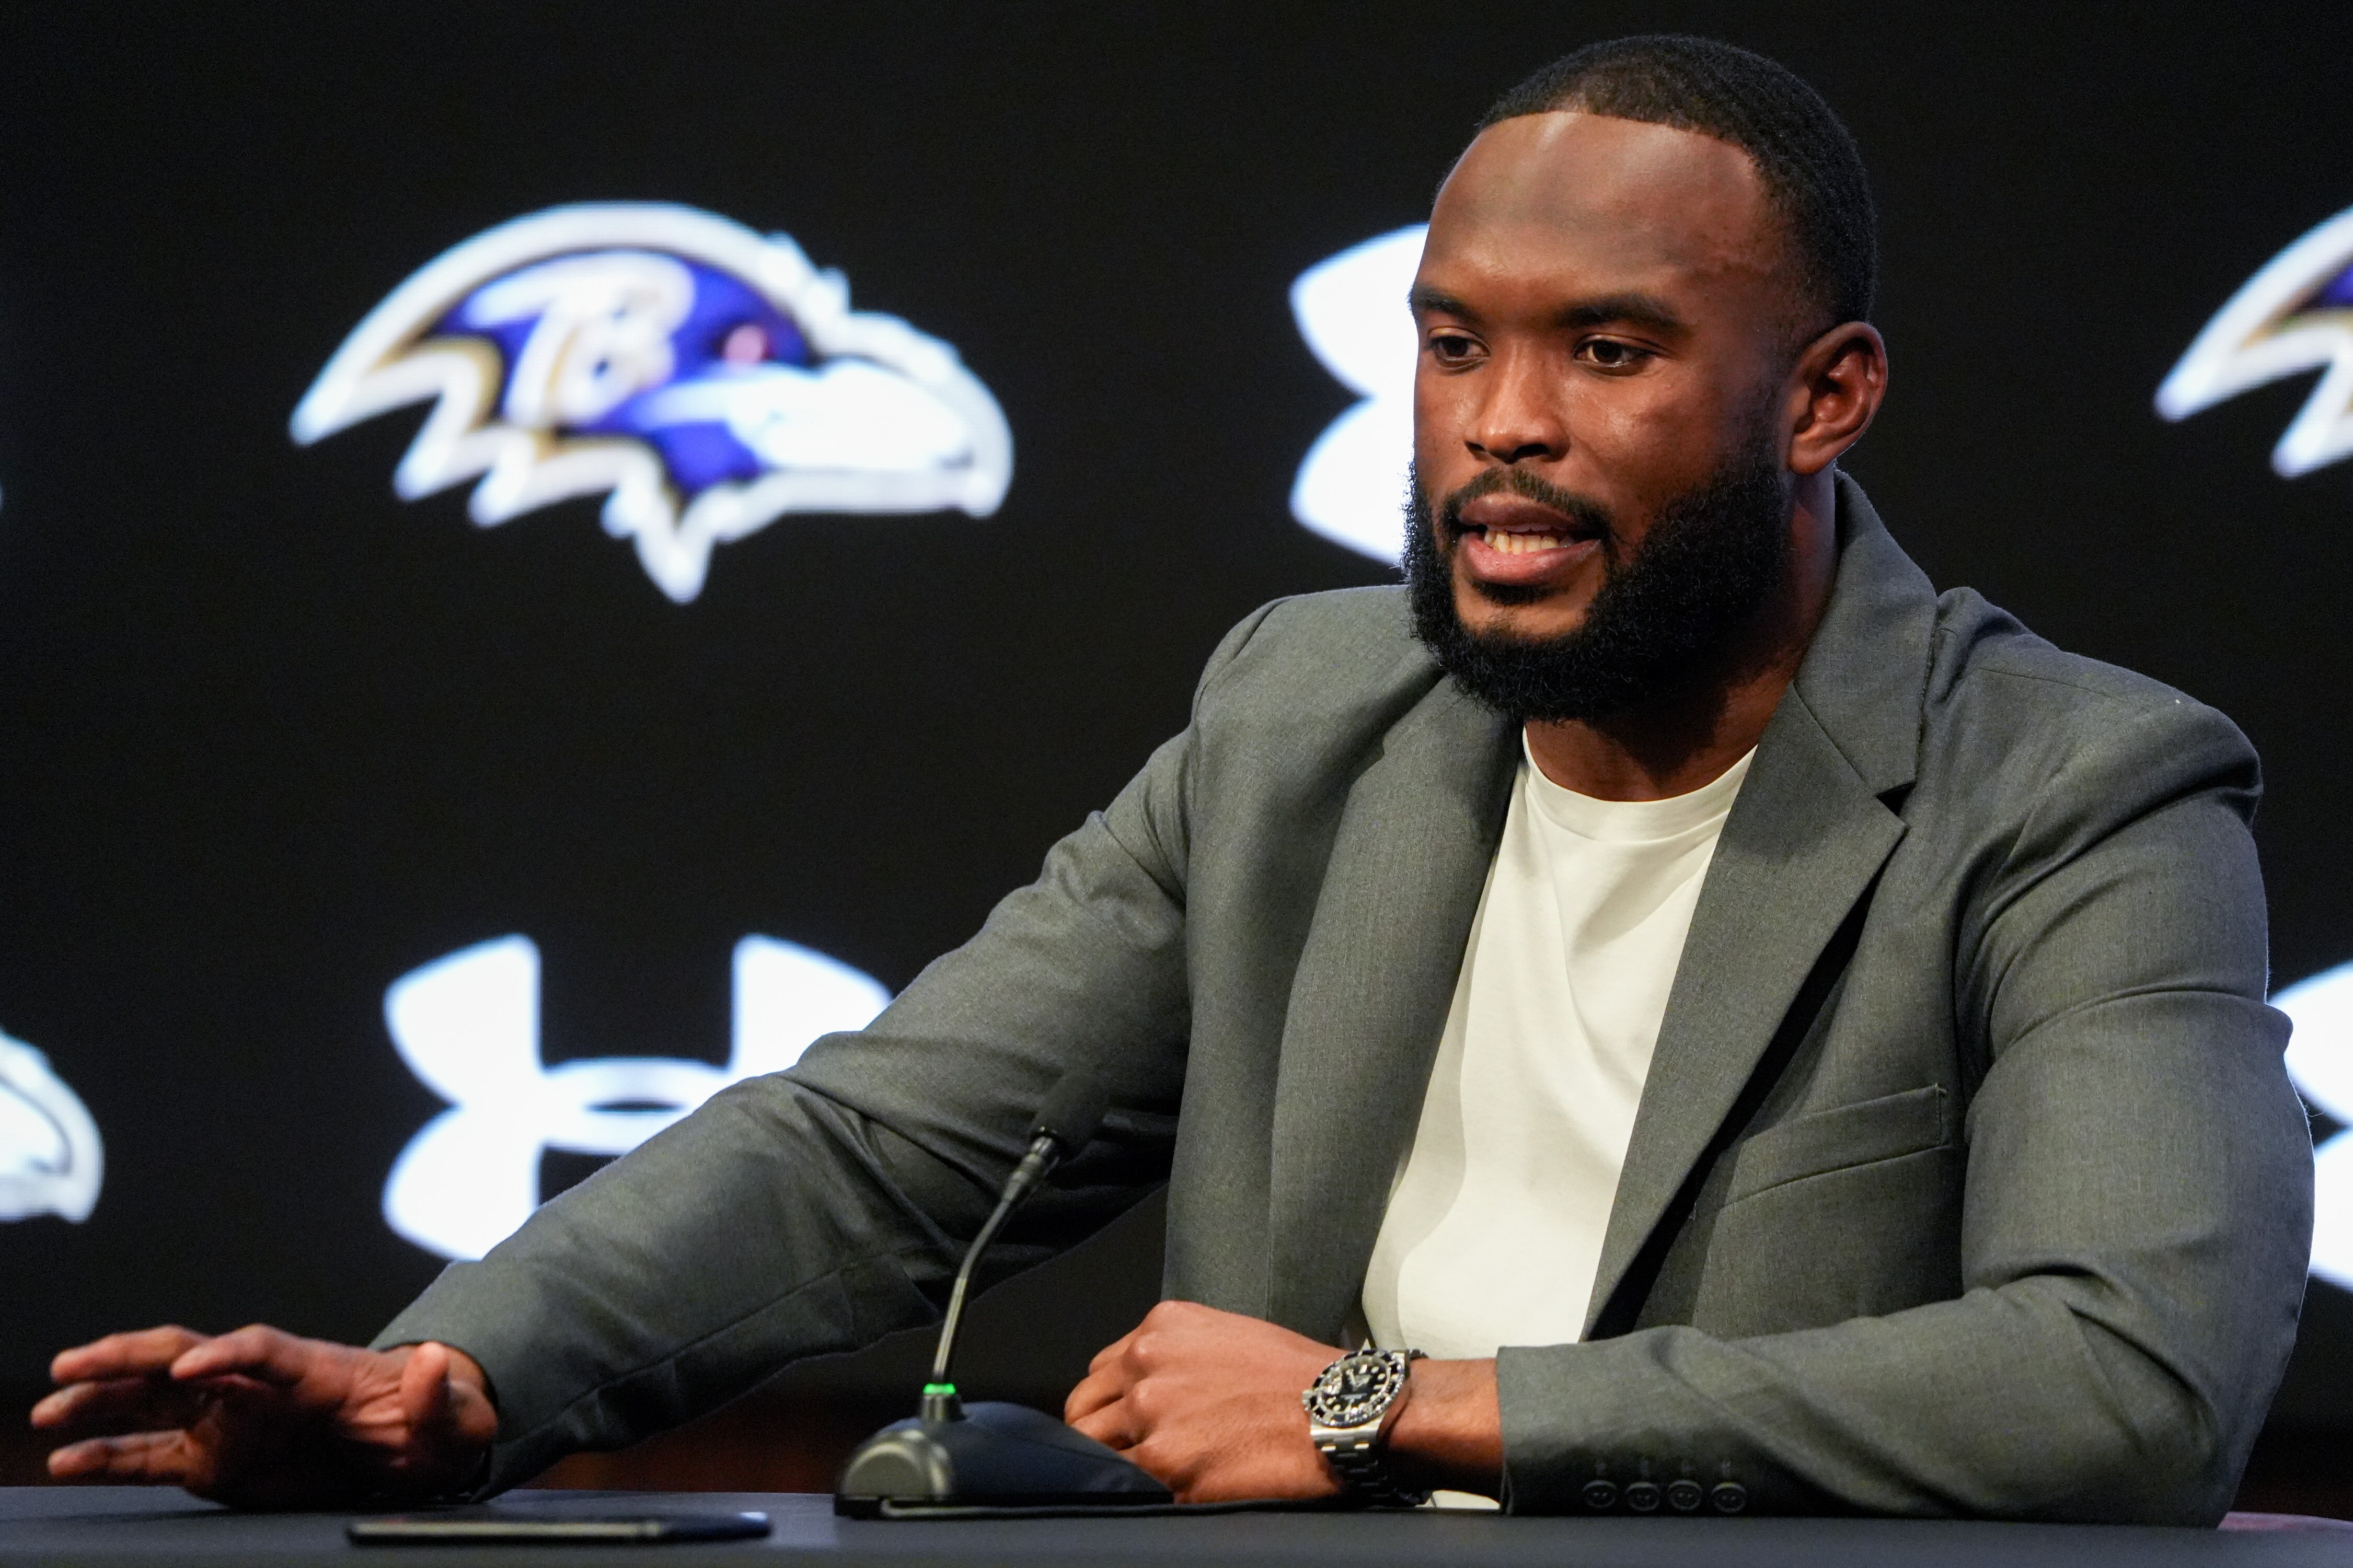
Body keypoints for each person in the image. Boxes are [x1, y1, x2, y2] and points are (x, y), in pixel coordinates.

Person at [33, 36, 2311, 1522]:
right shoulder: (1308, 715)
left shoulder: (2075, 789)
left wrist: (1374, 1405)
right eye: (1452, 345)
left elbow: (2116, 1381)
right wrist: (451, 1376)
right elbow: (881, 1141)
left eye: (1605, 351)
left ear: (1819, 401)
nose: (1494, 424)